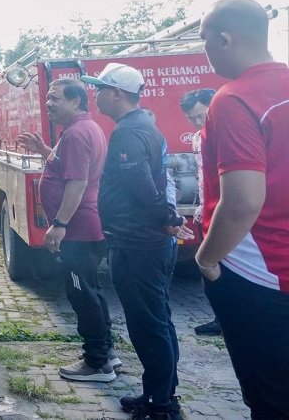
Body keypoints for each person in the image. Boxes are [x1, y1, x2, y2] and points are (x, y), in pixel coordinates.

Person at [195, 0, 289, 419]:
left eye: (204, 41)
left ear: (225, 38)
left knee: (269, 398)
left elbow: (243, 201)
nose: (205, 50)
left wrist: (207, 257)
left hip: (259, 273)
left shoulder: (233, 99)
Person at [81, 62, 190, 420]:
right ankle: (159, 394)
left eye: (100, 89)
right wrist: (168, 220)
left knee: (149, 325)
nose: (95, 95)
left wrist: (168, 220)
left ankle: (162, 405)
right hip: (143, 240)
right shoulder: (142, 125)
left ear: (117, 94)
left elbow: (142, 187)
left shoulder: (128, 132)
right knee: (157, 321)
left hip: (139, 243)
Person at [17, 79, 116, 382]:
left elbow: (77, 182)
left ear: (76, 102)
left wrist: (59, 225)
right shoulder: (84, 129)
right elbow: (67, 167)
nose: (48, 103)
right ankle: (108, 352)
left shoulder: (76, 134)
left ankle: (97, 362)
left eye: (55, 98)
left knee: (82, 294)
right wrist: (44, 149)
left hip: (78, 230)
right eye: (48, 98)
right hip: (86, 228)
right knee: (92, 291)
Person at [179, 88, 221, 337]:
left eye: (199, 115)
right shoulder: (197, 138)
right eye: (190, 118)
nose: (196, 122)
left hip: (222, 213)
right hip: (204, 211)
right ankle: (220, 318)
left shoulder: (229, 134)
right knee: (207, 271)